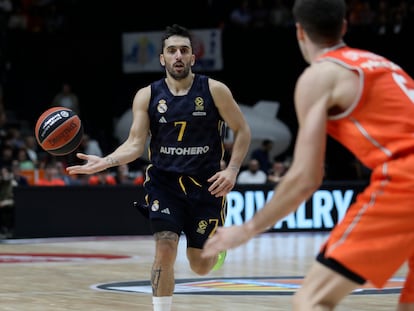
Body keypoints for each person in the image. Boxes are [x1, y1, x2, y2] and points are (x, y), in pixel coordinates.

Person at [202, 0, 414, 310]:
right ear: (343, 26)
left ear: (299, 31)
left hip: (407, 178)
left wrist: (247, 230)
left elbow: (306, 177)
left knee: (311, 301)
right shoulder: (385, 65)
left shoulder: (321, 75)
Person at [66, 24, 251, 311]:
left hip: (207, 185)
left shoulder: (214, 90)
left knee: (200, 266)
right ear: (162, 58)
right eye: (172, 51)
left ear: (193, 58)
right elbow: (135, 144)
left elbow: (242, 130)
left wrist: (232, 170)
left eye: (184, 50)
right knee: (165, 247)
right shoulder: (147, 95)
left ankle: (217, 247)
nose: (178, 55)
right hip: (164, 184)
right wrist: (106, 162)